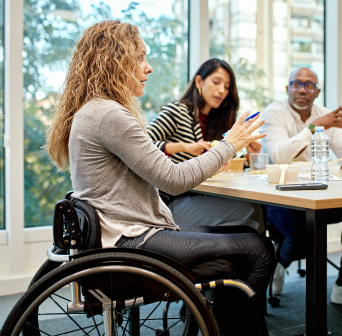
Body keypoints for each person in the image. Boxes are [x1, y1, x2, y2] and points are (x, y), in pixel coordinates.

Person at [45, 20, 275, 335]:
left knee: (242, 235)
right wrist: (230, 144)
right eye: (140, 57)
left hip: (124, 233)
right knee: (258, 248)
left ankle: (221, 323)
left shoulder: (93, 110)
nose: (148, 67)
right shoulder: (110, 115)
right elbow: (174, 180)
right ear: (114, 60)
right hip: (133, 239)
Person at [260, 66, 342, 308]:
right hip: (281, 196)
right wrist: (314, 127)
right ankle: (279, 261)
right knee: (302, 240)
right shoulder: (274, 112)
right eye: (297, 84)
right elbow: (279, 155)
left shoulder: (325, 114)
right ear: (287, 88)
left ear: (317, 91)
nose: (302, 89)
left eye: (309, 85)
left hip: (321, 192)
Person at [147, 58, 264, 233]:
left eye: (226, 86)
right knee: (250, 212)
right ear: (199, 82)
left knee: (254, 207)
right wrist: (185, 147)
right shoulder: (177, 111)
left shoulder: (218, 122)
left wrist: (249, 155)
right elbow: (143, 145)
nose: (221, 90)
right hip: (168, 202)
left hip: (202, 195)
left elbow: (227, 163)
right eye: (216, 82)